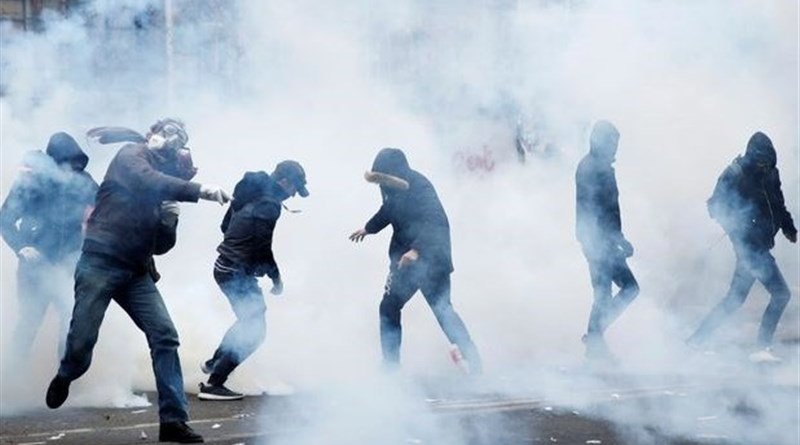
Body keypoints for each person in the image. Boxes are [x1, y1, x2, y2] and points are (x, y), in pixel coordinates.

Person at [45, 118, 231, 444]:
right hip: (99, 262)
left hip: (136, 272)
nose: (171, 140)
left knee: (165, 336)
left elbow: (161, 246)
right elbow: (146, 179)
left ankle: (173, 421)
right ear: (151, 135)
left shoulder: (163, 187)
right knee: (82, 341)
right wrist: (199, 191)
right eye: (168, 132)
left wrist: (169, 216)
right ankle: (67, 373)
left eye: (178, 138)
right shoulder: (131, 155)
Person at [350, 148, 482, 374]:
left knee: (443, 310)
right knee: (389, 307)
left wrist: (417, 251)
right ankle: (391, 367)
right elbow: (388, 210)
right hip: (404, 261)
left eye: (383, 178)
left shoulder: (420, 187)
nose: (380, 184)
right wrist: (369, 228)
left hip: (431, 259)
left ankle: (473, 360)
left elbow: (436, 221)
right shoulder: (389, 188)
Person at [199, 161, 309, 401]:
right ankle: (214, 384)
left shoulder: (249, 191)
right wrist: (275, 276)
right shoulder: (270, 205)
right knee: (255, 330)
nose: (293, 194)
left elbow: (224, 226)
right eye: (294, 188)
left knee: (249, 320)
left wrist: (238, 247)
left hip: (226, 265)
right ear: (284, 182)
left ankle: (214, 362)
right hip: (234, 270)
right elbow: (262, 246)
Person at [687, 132, 796, 363]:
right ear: (751, 156)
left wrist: (789, 226)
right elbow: (715, 205)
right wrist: (738, 227)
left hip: (760, 246)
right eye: (759, 161)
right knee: (781, 294)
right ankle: (762, 347)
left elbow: (778, 203)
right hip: (750, 249)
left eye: (767, 161)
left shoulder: (771, 173)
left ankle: (696, 341)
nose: (763, 166)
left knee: (734, 300)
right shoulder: (735, 173)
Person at [0, 132, 98, 361]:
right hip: (35, 264)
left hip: (69, 263)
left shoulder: (85, 181)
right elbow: (4, 218)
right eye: (66, 162)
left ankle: (63, 379)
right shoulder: (32, 181)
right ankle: (11, 377)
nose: (71, 168)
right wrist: (22, 246)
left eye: (76, 163)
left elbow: (105, 208)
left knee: (70, 321)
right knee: (30, 320)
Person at [575, 121, 639, 361]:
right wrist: (617, 240)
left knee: (603, 293)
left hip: (595, 239)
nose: (615, 149)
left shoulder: (591, 165)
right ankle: (594, 336)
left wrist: (617, 239)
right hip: (598, 240)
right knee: (628, 287)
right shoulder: (596, 169)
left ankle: (595, 340)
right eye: (613, 143)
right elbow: (603, 210)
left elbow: (608, 209)